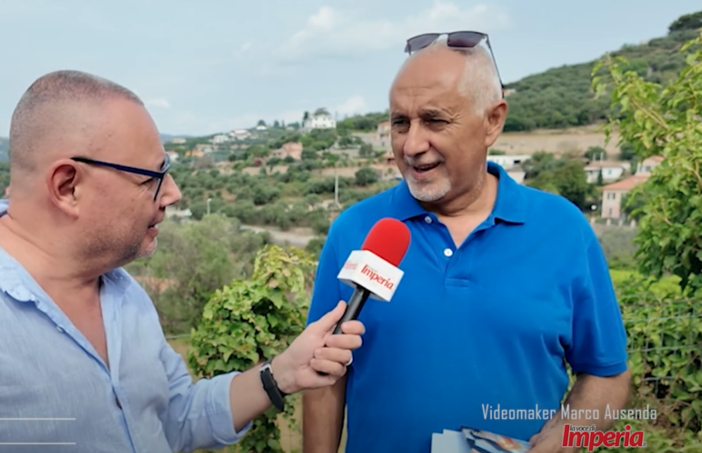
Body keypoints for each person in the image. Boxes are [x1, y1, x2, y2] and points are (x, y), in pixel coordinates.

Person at [0, 70, 364, 453]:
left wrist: (283, 372)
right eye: (151, 178)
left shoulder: (125, 294)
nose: (173, 193)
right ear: (68, 186)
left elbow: (176, 417)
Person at [302, 32, 631, 453]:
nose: (412, 145)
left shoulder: (564, 229)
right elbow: (325, 374)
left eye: (435, 120)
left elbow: (605, 373)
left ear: (492, 120)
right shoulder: (355, 230)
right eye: (400, 123)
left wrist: (564, 439)